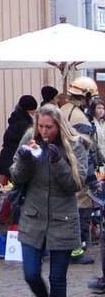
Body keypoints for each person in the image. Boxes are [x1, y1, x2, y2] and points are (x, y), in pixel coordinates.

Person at [10, 104, 87, 297]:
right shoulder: (30, 138)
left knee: (57, 279)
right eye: (41, 126)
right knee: (31, 273)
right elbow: (15, 176)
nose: (44, 131)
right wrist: (24, 159)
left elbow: (76, 184)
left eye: (49, 127)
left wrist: (58, 162)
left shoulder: (74, 144)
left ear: (59, 125)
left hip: (63, 218)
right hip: (33, 217)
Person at [60, 76, 98, 264]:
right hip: (77, 170)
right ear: (87, 96)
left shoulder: (62, 110)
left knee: (65, 210)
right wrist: (91, 178)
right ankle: (77, 250)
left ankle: (65, 249)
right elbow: (85, 152)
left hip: (61, 168)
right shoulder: (80, 118)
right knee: (82, 209)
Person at [0, 95, 37, 180]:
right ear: (29, 110)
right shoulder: (25, 125)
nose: (34, 113)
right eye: (34, 111)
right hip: (13, 162)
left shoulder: (16, 118)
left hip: (6, 159)